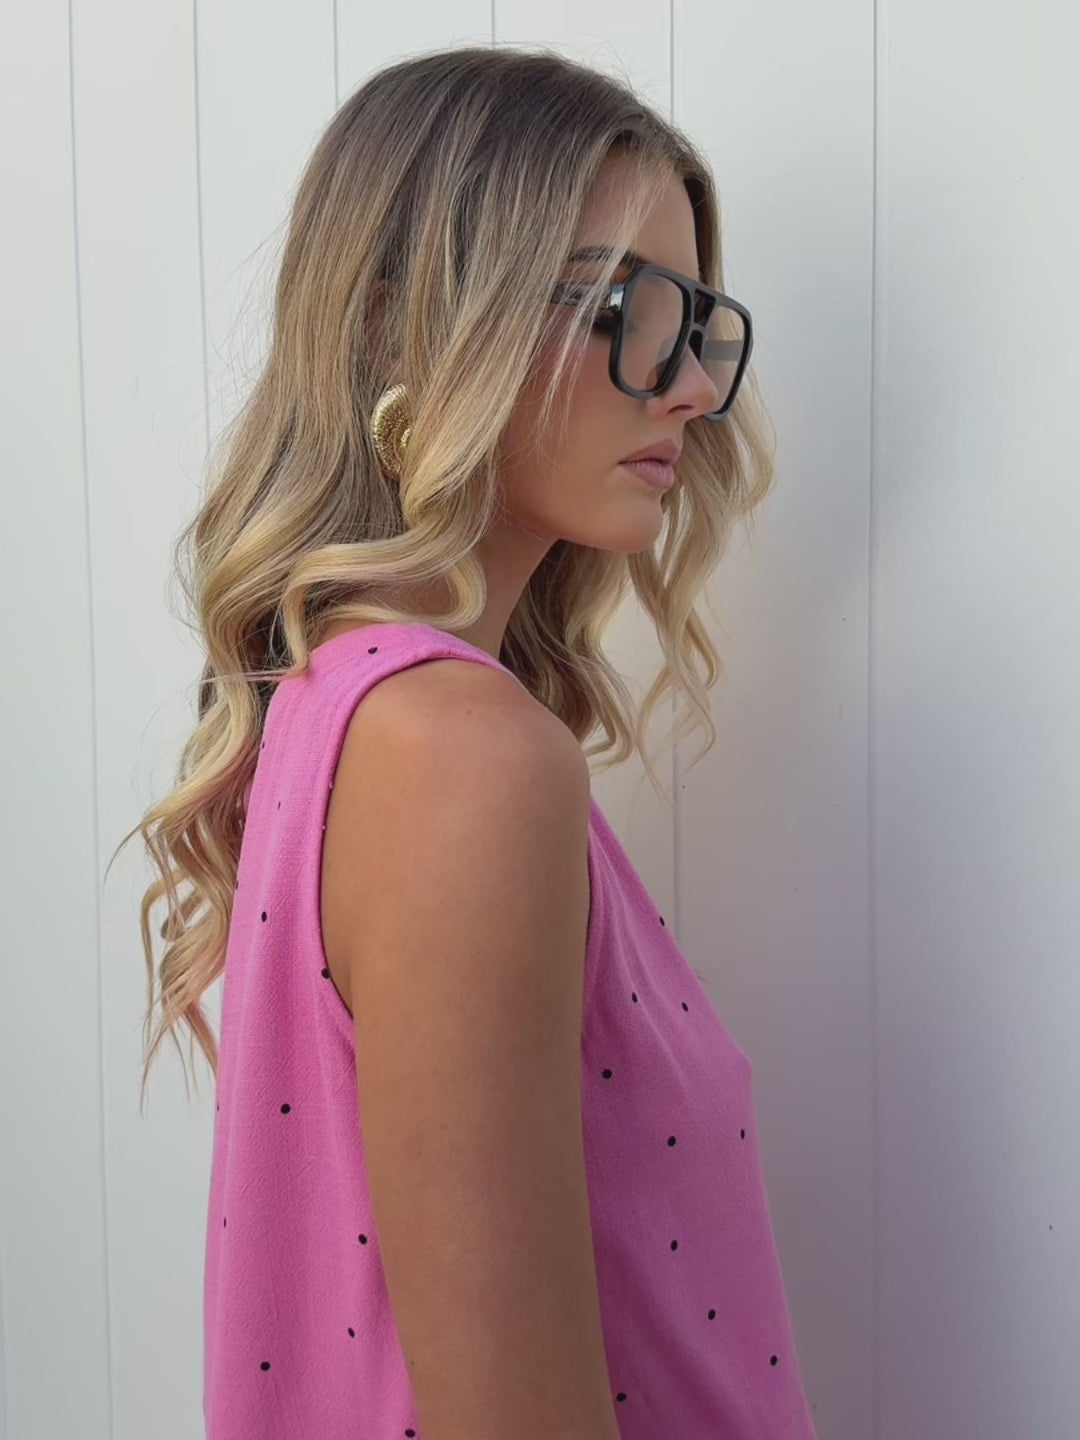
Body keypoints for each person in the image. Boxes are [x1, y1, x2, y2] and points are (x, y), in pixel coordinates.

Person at [114, 44, 815, 1440]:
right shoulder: (459, 754)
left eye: (701, 325)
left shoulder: (347, 712)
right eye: (631, 309)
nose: (689, 384)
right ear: (415, 324)